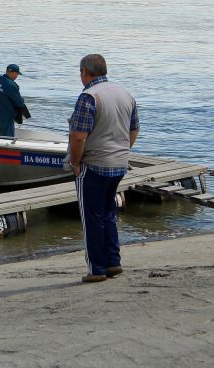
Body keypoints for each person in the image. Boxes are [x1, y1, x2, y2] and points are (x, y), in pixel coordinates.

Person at [67, 54, 140, 283]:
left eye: (81, 73)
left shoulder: (89, 96)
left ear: (85, 72)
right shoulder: (124, 93)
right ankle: (112, 261)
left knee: (91, 218)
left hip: (95, 164)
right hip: (118, 164)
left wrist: (75, 162)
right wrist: (122, 150)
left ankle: (97, 269)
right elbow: (135, 128)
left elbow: (78, 136)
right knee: (108, 213)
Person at [0, 64, 30, 137]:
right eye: (17, 74)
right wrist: (27, 115)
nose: (17, 76)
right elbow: (19, 103)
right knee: (7, 142)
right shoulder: (11, 85)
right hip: (6, 121)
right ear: (13, 73)